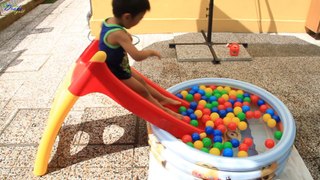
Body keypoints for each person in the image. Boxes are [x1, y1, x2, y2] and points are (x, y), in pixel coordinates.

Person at [99, 0, 182, 119]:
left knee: (142, 82)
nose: (140, 21)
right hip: (116, 72)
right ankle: (165, 112)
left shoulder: (108, 21)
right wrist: (151, 52)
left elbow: (112, 37)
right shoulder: (118, 34)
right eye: (140, 18)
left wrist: (125, 36)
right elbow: (137, 56)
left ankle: (163, 99)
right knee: (143, 91)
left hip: (121, 66)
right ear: (127, 17)